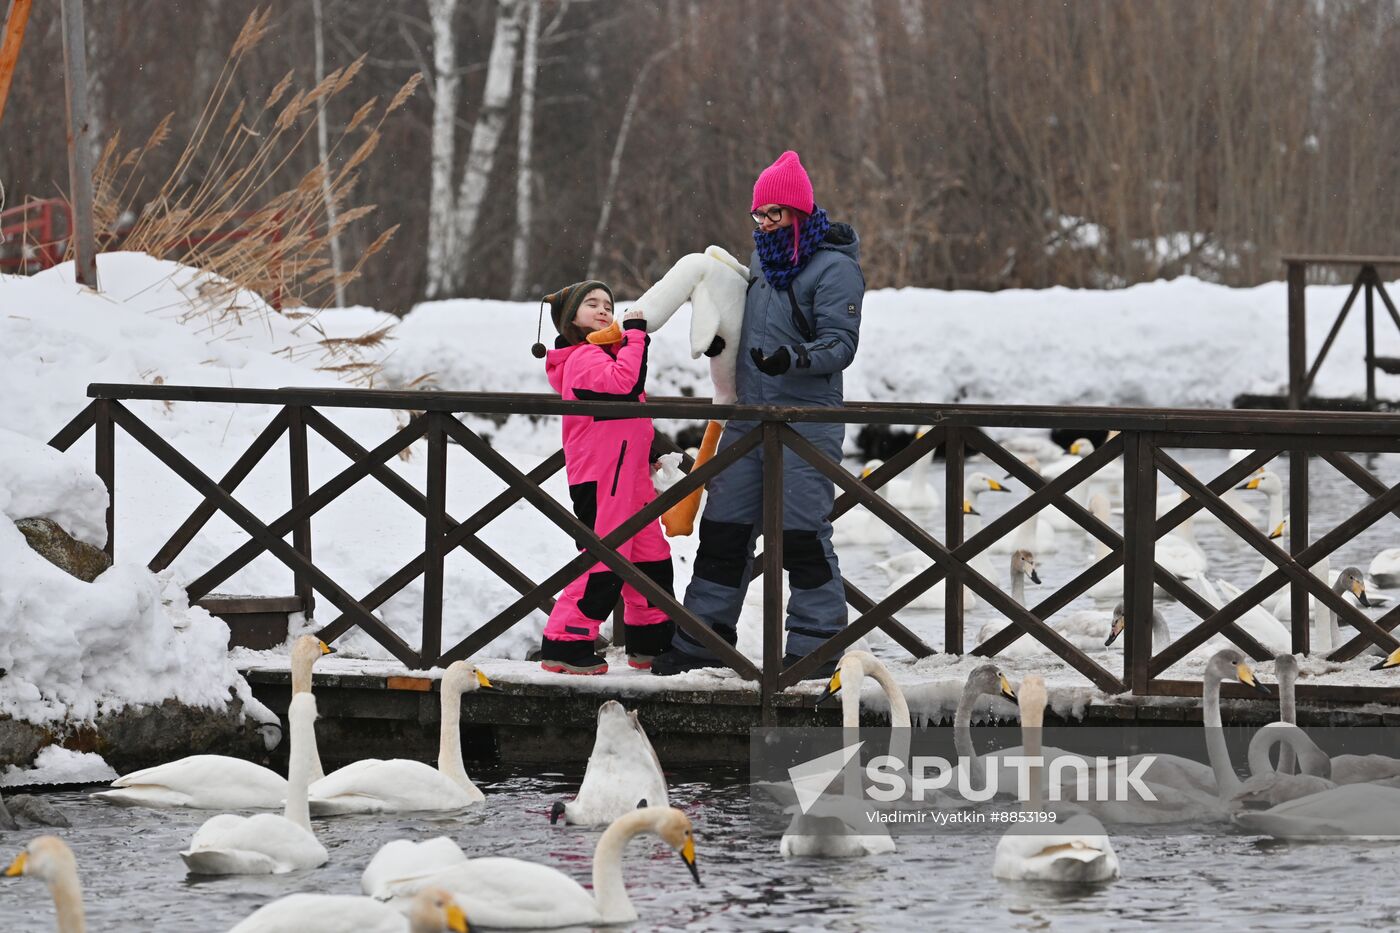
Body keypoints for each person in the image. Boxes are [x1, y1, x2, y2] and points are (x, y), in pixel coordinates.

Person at [652, 150, 864, 679]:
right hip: (749, 418)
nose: (765, 223)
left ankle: (817, 645)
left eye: (775, 213)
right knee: (724, 528)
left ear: (800, 212)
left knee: (801, 534)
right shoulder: (762, 265)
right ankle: (703, 638)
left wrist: (793, 357)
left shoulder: (836, 269)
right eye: (759, 214)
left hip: (807, 419)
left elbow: (841, 344)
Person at [532, 280, 676, 674]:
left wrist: (655, 451)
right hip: (603, 480)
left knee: (652, 561)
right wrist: (635, 337)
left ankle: (652, 643)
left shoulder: (605, 355)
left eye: (608, 305)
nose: (603, 310)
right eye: (591, 304)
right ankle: (565, 642)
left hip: (631, 478)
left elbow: (629, 418)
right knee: (604, 562)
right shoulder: (582, 358)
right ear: (570, 318)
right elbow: (625, 387)